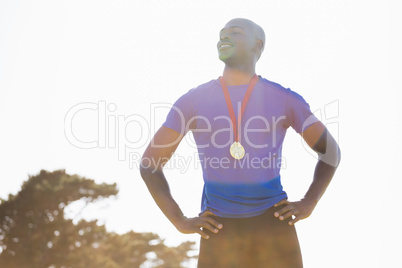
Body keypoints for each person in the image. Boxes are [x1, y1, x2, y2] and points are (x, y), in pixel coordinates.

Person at [140, 18, 341, 268]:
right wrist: (179, 220)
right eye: (221, 34)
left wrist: (310, 201)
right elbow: (149, 164)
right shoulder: (191, 101)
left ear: (258, 45)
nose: (224, 37)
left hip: (274, 225)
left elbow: (330, 151)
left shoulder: (285, 99)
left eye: (234, 33)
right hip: (218, 229)